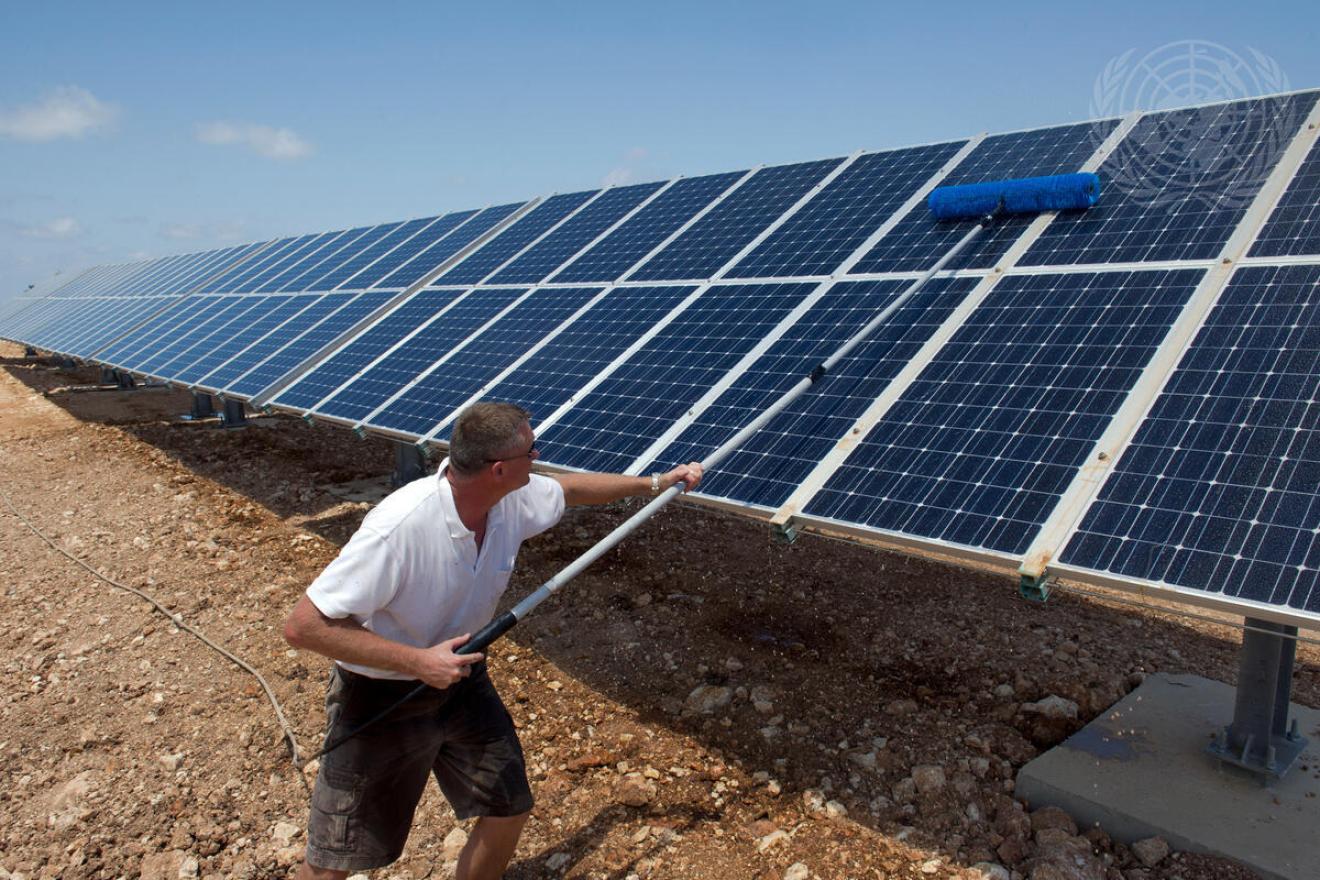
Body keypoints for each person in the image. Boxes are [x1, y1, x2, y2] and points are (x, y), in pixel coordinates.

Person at [283, 402, 702, 879]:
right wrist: (418, 661)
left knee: (508, 806)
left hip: (463, 680)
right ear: (500, 469)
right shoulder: (398, 529)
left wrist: (654, 483)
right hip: (382, 696)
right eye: (532, 451)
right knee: (337, 855)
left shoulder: (510, 498)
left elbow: (569, 489)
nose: (540, 458)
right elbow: (304, 626)